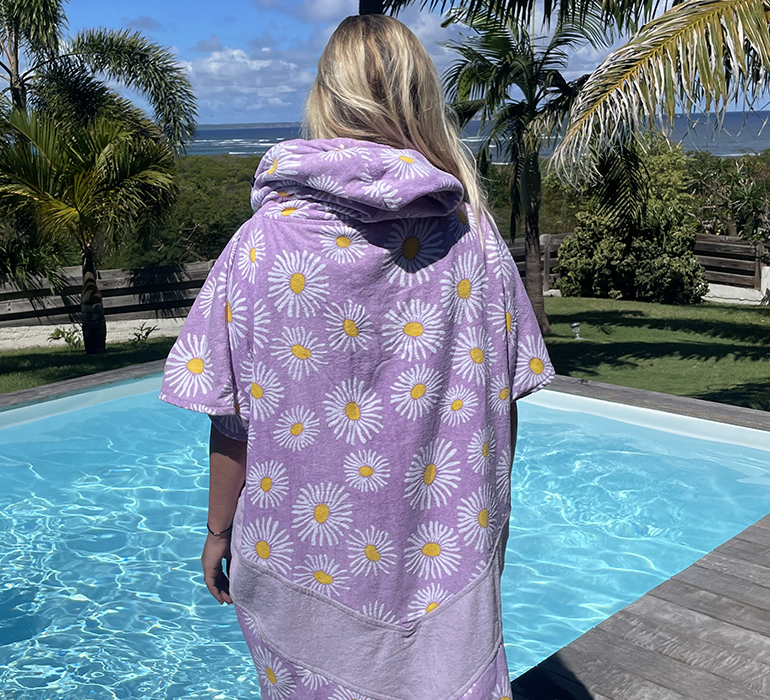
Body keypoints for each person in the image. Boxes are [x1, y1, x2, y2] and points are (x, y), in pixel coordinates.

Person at [159, 13, 554, 700]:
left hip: (301, 571)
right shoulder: (475, 238)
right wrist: (491, 530)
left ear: (327, 98)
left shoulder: (258, 248)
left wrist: (217, 531)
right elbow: (502, 405)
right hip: (448, 569)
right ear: (420, 97)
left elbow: (231, 423)